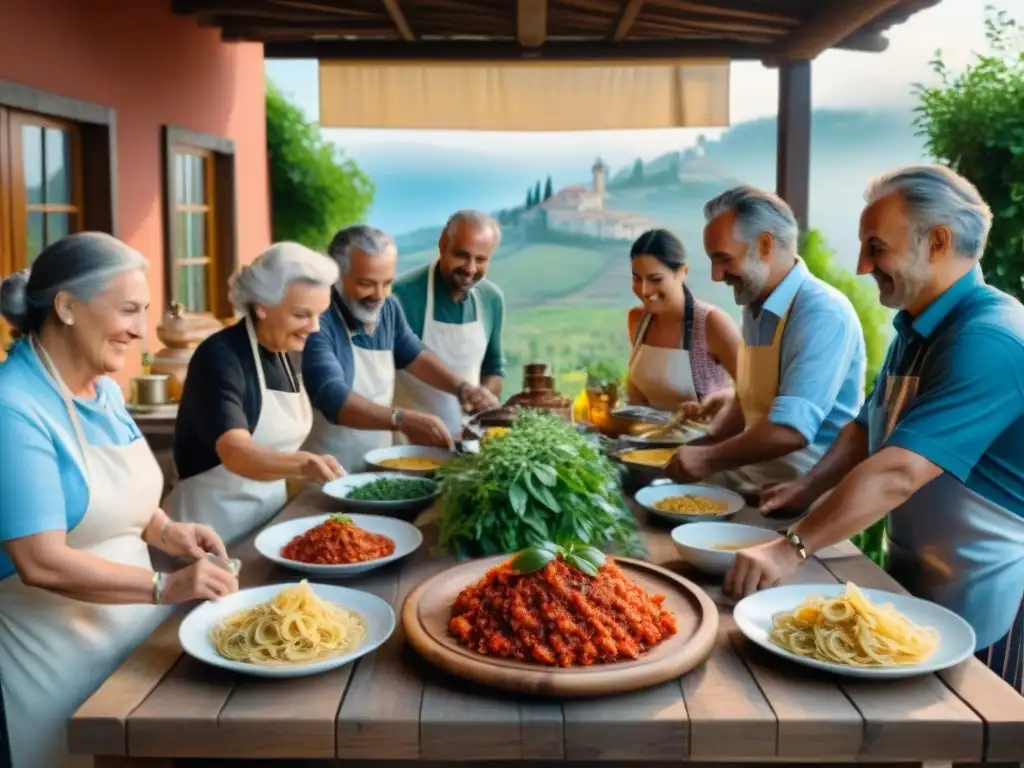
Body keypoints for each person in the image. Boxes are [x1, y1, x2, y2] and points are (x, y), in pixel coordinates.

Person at [725, 165, 1024, 693]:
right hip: (915, 590)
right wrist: (806, 487)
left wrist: (788, 549)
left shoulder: (989, 339)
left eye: (876, 247)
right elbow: (868, 426)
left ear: (937, 242)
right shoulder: (917, 326)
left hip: (986, 602)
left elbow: (899, 470)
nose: (863, 264)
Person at [0, 232, 239, 768]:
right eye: (127, 310)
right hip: (56, 671)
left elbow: (114, 498)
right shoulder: (11, 407)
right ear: (65, 306)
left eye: (145, 310)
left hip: (136, 660)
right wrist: (166, 584)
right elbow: (39, 560)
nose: (139, 329)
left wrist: (164, 531)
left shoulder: (103, 390)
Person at [667, 186, 866, 500]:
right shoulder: (756, 303)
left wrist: (708, 457)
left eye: (723, 259)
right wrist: (703, 442)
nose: (717, 276)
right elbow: (749, 397)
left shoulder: (822, 313)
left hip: (805, 492)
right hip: (756, 474)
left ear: (764, 245)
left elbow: (791, 431)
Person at [168, 242, 342, 546]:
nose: (313, 328)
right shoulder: (220, 357)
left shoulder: (287, 352)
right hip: (206, 536)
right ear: (262, 305)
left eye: (319, 314)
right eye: (302, 315)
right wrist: (303, 464)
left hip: (266, 527)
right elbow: (236, 453)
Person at [301, 225, 499, 472]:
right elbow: (331, 396)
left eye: (387, 283)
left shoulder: (389, 308)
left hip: (377, 466)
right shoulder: (316, 319)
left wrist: (462, 388)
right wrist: (401, 419)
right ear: (336, 276)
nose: (379, 295)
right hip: (323, 474)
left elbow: (415, 355)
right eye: (366, 284)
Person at [392, 210, 507, 437]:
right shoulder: (402, 295)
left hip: (468, 442)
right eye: (462, 255)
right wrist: (463, 389)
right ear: (442, 246)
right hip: (407, 443)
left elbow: (494, 367)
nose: (470, 268)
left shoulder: (491, 299)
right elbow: (412, 359)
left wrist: (483, 395)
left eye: (481, 259)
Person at [626, 229, 740, 418]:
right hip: (649, 442)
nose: (644, 290)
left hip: (707, 443)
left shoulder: (711, 322)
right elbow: (638, 397)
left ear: (682, 272)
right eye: (637, 278)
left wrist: (723, 397)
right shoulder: (638, 320)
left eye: (655, 279)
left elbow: (755, 392)